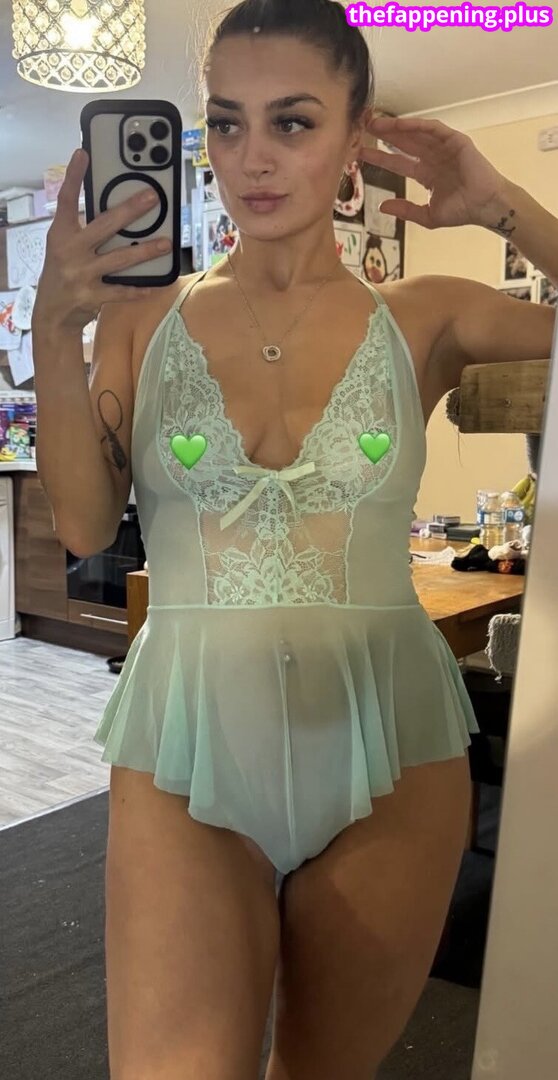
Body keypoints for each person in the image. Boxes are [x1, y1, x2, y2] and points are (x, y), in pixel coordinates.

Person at [31, 1, 556, 1078]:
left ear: (357, 134)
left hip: (393, 745)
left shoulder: (425, 315)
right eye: (227, 123)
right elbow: (83, 524)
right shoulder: (141, 318)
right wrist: (51, 326)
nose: (253, 158)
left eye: (293, 122)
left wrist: (502, 205)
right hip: (186, 747)